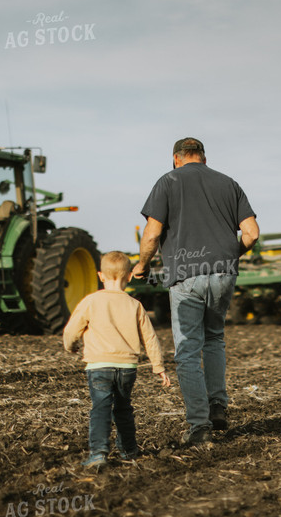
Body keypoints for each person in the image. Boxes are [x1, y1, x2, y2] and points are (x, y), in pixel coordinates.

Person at [132, 137, 259, 446]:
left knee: (188, 350)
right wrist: (228, 256)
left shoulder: (168, 181)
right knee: (214, 338)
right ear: (203, 158)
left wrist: (142, 266)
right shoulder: (229, 183)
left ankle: (199, 424)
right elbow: (252, 233)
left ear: (176, 159)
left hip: (184, 276)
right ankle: (218, 406)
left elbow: (152, 234)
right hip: (223, 274)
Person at [63, 251, 171, 469]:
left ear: (100, 276)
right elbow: (150, 338)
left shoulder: (90, 301)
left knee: (100, 408)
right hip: (127, 367)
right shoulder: (135, 305)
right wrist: (158, 366)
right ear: (129, 276)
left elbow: (71, 330)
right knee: (123, 408)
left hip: (99, 366)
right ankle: (129, 451)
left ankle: (98, 453)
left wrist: (71, 346)